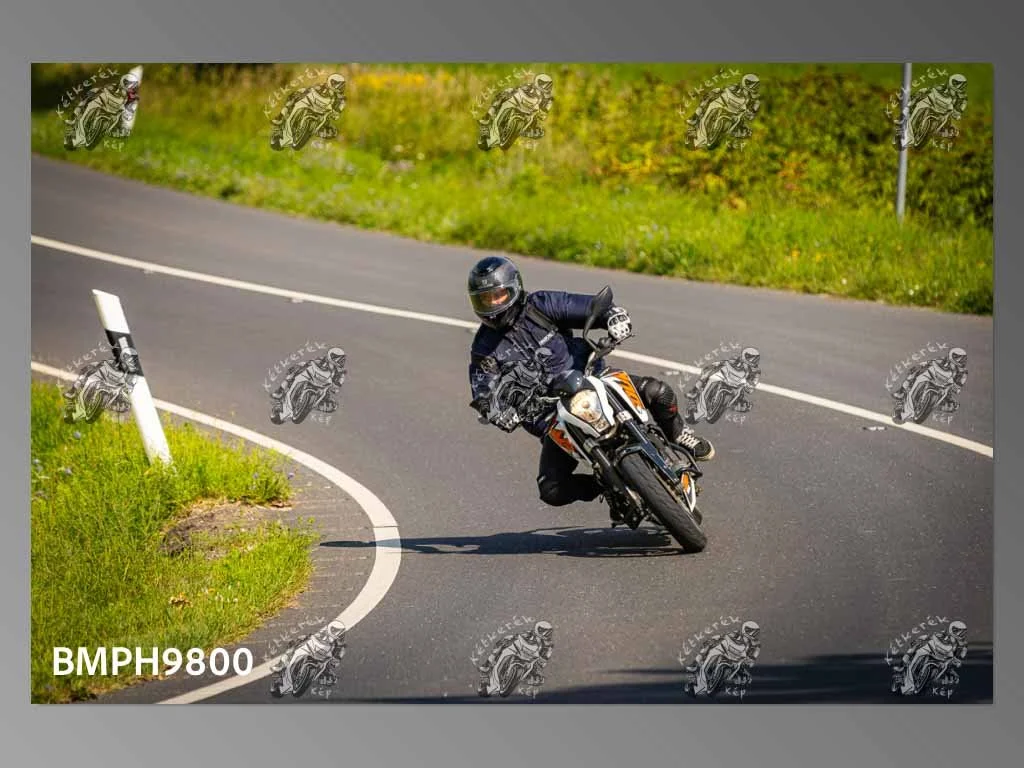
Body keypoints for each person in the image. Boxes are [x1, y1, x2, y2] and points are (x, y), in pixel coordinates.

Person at [466, 255, 715, 510]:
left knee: (658, 392)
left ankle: (679, 435)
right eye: (485, 299)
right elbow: (483, 390)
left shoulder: (540, 305)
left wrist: (613, 317)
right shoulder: (484, 349)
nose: (493, 304)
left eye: (498, 295)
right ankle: (607, 485)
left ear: (514, 288)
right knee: (551, 489)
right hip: (552, 417)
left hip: (591, 380)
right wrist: (495, 411)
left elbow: (588, 307)